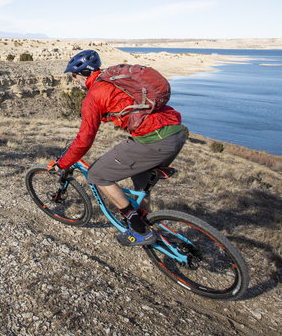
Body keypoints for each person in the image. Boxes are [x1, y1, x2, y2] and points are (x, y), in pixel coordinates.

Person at [49, 49, 186, 246]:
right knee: (141, 183)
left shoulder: (93, 96)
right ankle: (146, 221)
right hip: (176, 132)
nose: (74, 80)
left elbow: (85, 139)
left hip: (154, 139)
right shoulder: (112, 80)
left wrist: (62, 163)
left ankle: (139, 230)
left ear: (80, 74)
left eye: (74, 75)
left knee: (97, 175)